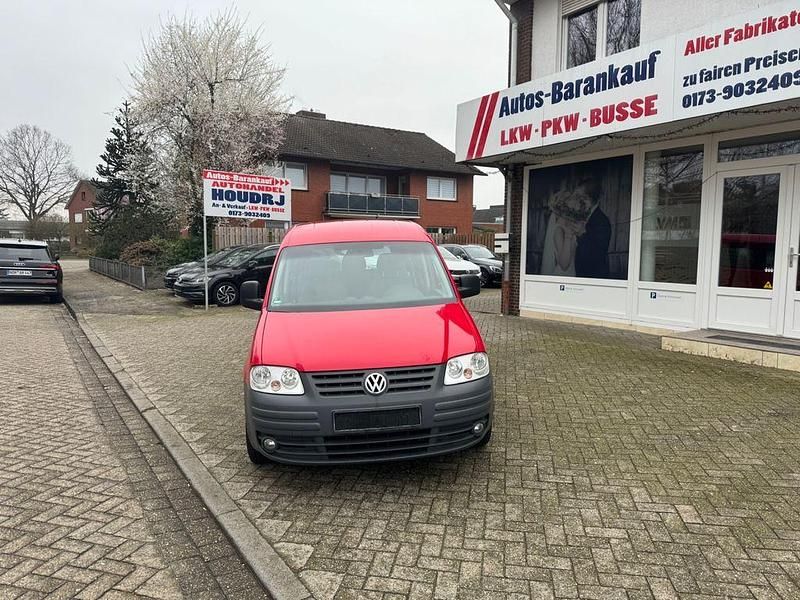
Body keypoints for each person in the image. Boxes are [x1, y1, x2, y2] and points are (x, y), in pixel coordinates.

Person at [574, 181, 611, 279]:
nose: (579, 201)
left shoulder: (602, 221)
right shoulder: (583, 215)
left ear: (591, 198)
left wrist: (582, 234)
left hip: (594, 276)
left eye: (582, 197)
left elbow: (598, 254)